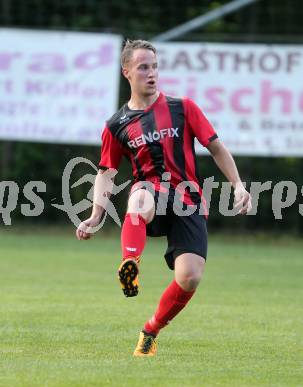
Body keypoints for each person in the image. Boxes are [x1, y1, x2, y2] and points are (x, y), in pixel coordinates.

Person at [76, 39, 252, 357]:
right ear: (126, 71)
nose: (151, 73)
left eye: (155, 66)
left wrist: (238, 185)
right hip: (152, 194)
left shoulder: (182, 107)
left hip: (188, 199)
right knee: (140, 197)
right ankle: (130, 263)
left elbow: (215, 146)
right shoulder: (116, 125)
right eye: (144, 67)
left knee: (190, 277)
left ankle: (151, 330)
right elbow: (106, 172)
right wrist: (96, 213)